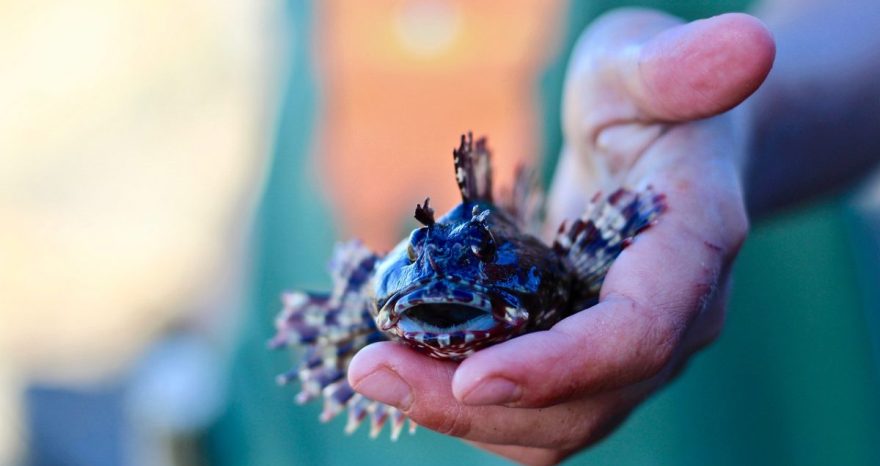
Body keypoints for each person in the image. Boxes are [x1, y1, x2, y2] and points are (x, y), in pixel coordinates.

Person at [346, 1, 880, 464]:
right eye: (422, 256)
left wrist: (732, 127)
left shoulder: (581, 267)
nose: (442, 282)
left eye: (481, 258)